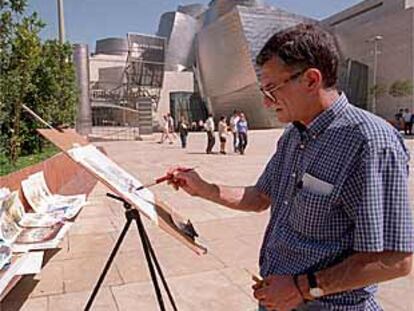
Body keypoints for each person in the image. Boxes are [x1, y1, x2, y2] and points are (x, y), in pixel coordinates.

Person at [167, 24, 413, 311]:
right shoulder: (294, 135)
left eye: (271, 89)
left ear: (311, 80)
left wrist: (302, 287)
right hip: (279, 299)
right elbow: (260, 196)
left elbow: (394, 260)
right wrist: (204, 189)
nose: (265, 101)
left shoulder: (369, 143)